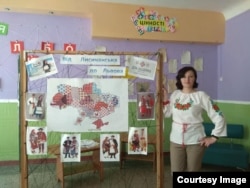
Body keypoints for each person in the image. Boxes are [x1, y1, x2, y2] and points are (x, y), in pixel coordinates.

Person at [162, 66, 227, 173]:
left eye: (190, 76)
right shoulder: (175, 94)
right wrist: (165, 99)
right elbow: (168, 113)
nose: (187, 80)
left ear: (195, 79)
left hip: (195, 141)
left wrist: (214, 137)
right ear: (179, 79)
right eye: (184, 76)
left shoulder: (201, 96)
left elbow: (219, 115)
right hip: (176, 140)